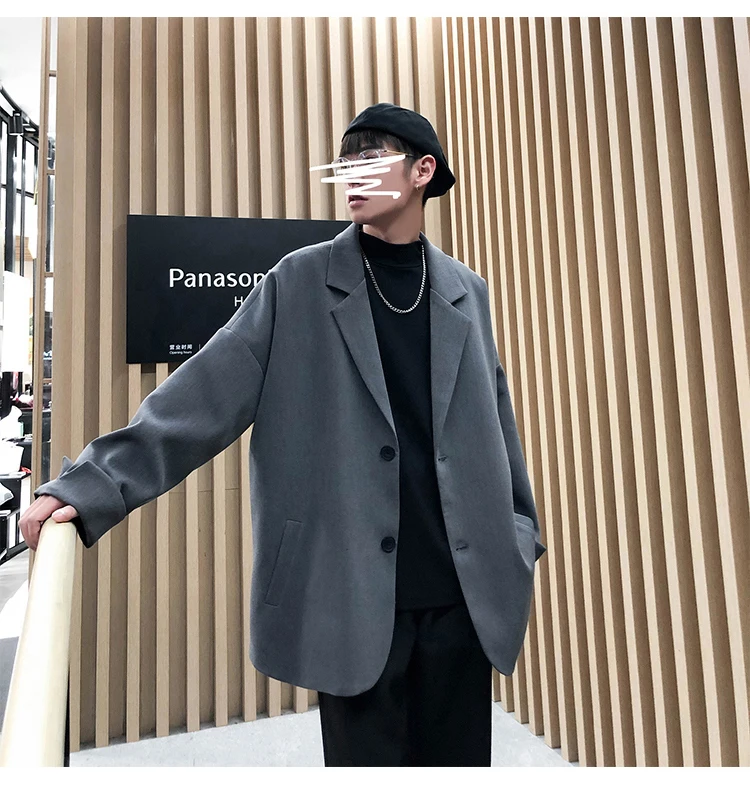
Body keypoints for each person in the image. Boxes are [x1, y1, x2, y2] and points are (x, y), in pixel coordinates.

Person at [20, 103, 546, 766]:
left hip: (463, 596)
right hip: (350, 598)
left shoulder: (466, 290)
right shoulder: (298, 282)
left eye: (370, 160)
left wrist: (520, 532)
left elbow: (496, 418)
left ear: (422, 172)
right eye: (344, 164)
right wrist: (92, 484)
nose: (350, 176)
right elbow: (197, 400)